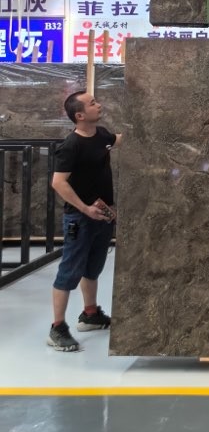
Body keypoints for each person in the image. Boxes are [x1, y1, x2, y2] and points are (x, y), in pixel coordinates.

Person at [47, 91, 121, 352]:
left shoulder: (101, 135)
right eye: (92, 103)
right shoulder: (71, 145)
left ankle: (90, 314)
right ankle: (57, 328)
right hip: (80, 218)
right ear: (79, 115)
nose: (98, 105)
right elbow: (58, 183)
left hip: (102, 214)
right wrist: (85, 209)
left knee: (93, 267)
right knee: (70, 270)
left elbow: (119, 139)